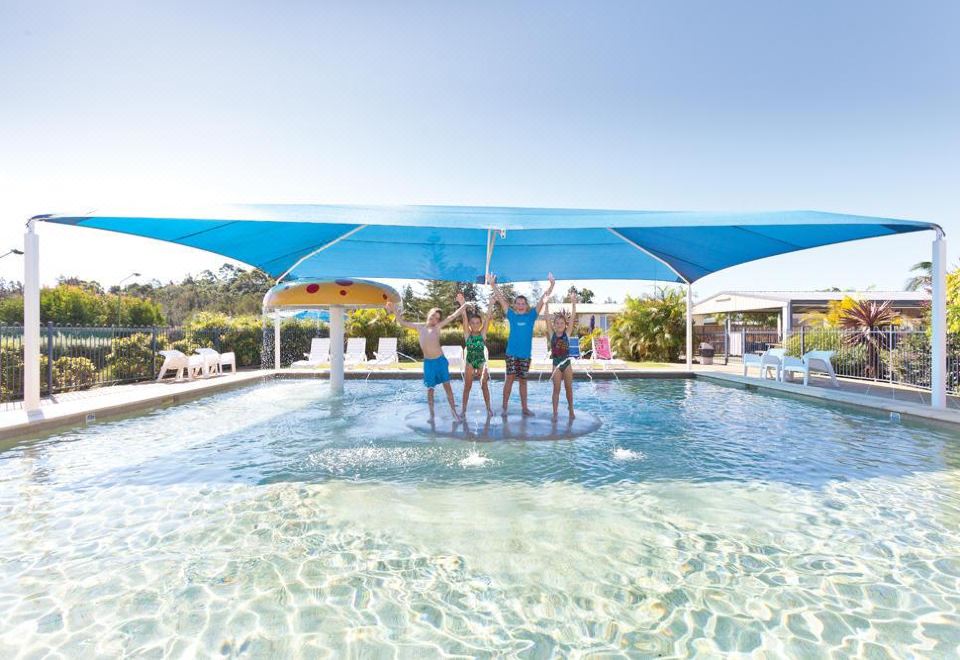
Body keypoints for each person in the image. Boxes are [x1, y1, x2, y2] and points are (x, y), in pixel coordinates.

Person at [386, 300, 467, 421]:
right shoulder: (419, 327)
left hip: (440, 361)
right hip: (429, 363)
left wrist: (463, 305)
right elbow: (402, 322)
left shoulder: (437, 327)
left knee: (447, 387)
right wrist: (394, 311)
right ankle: (432, 415)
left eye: (437, 318)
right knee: (430, 390)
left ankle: (454, 412)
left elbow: (452, 316)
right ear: (429, 314)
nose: (434, 319)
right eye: (433, 315)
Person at [490, 272, 555, 416]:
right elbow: (501, 300)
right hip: (512, 353)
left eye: (523, 303)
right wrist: (493, 285)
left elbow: (542, 301)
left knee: (523, 381)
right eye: (518, 303)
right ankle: (504, 408)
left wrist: (552, 285)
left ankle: (524, 408)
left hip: (525, 355)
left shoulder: (531, 316)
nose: (520, 305)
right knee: (510, 380)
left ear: (526, 306)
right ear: (515, 305)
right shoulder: (511, 315)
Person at [456, 290, 494, 417]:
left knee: (484, 386)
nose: (475, 325)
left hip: (481, 362)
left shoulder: (483, 334)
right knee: (467, 387)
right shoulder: (467, 335)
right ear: (470, 325)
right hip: (470, 362)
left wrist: (490, 304)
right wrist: (462, 303)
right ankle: (463, 410)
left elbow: (488, 317)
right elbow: (464, 317)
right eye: (473, 323)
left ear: (480, 324)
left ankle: (489, 409)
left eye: (478, 323)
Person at [550, 292, 578, 419]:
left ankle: (571, 409)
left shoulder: (567, 333)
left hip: (566, 364)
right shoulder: (552, 335)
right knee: (556, 389)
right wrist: (545, 304)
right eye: (557, 323)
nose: (560, 325)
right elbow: (545, 317)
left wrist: (573, 303)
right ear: (554, 325)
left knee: (568, 388)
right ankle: (555, 413)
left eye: (562, 323)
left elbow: (572, 317)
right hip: (556, 365)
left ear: (565, 325)